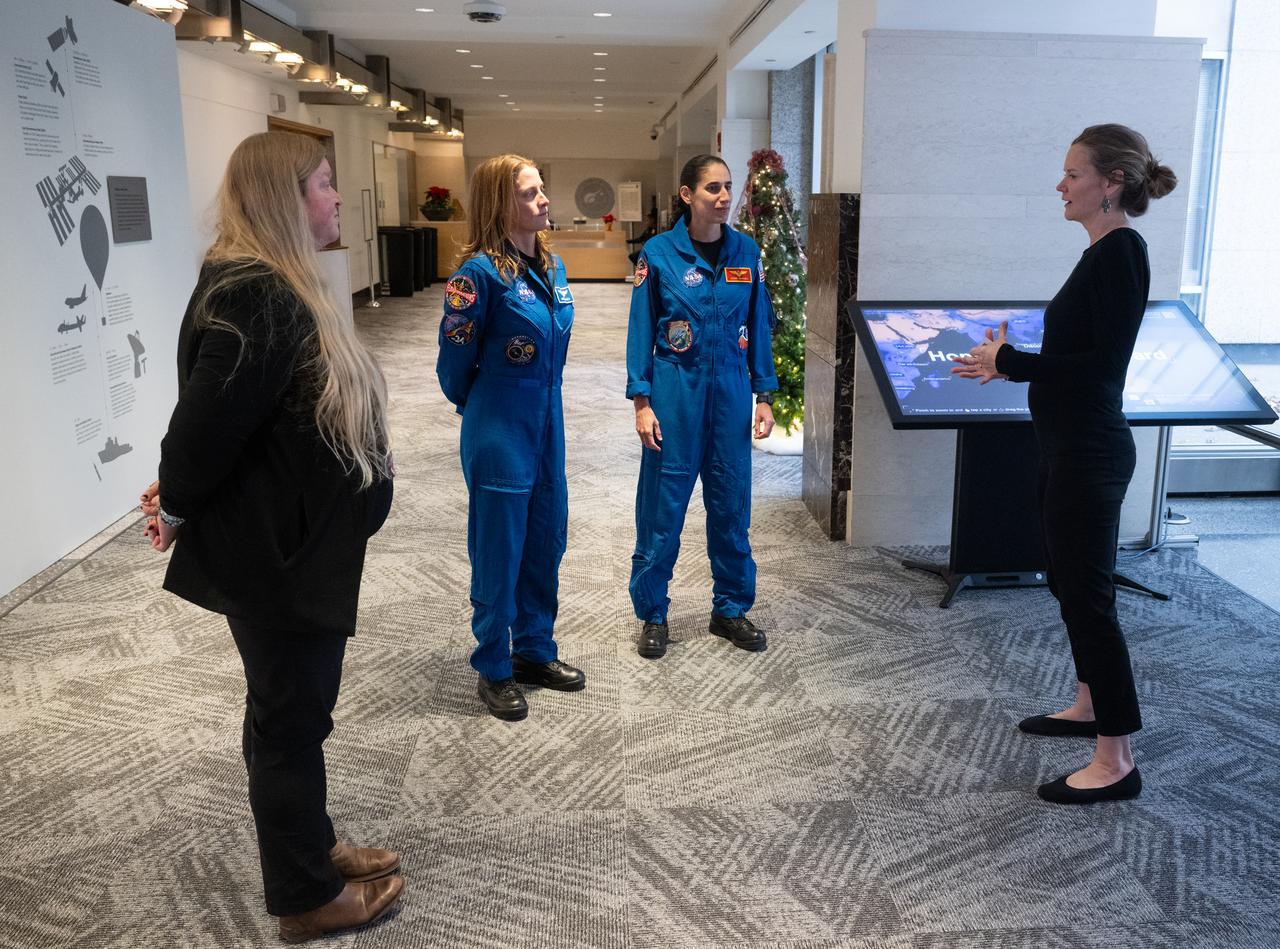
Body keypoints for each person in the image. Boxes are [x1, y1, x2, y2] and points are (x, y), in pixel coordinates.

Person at [141, 131, 402, 942]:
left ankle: (312, 844)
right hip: (277, 561)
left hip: (289, 549)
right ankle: (303, 896)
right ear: (284, 199)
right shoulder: (259, 293)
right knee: (290, 722)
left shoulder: (265, 282)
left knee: (287, 713)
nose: (334, 198)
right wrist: (176, 501)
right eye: (323, 184)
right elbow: (199, 433)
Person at [952, 124, 1176, 804]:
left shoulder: (1121, 253)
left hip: (1091, 450)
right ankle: (1087, 704)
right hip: (1068, 447)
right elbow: (1078, 359)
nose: (1061, 184)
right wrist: (1010, 364)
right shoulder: (1101, 252)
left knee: (1091, 599)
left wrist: (1009, 362)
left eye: (1073, 173)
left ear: (1110, 183)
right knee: (1069, 586)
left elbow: (1098, 370)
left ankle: (1117, 758)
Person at [436, 154, 585, 721]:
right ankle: (494, 665)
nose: (544, 199)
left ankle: (535, 650)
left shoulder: (553, 266)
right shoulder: (478, 277)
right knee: (499, 550)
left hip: (548, 423)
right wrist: (483, 407)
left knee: (546, 538)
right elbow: (453, 368)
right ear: (501, 203)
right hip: (499, 424)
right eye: (529, 193)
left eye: (542, 189)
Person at [625, 154, 778, 659]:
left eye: (729, 187)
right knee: (662, 509)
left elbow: (759, 328)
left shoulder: (746, 252)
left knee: (732, 506)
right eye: (713, 188)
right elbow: (641, 331)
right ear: (688, 195)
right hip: (676, 395)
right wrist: (642, 401)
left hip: (731, 396)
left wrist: (764, 395)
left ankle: (730, 607)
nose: (724, 197)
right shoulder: (658, 253)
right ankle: (653, 612)